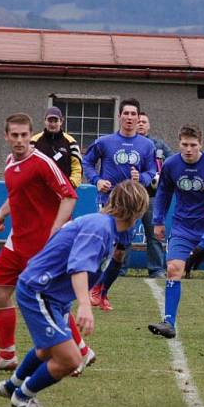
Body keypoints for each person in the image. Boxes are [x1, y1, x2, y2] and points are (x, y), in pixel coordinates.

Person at [0, 180, 149, 407]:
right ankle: (23, 396)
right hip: (40, 291)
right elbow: (78, 267)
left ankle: (12, 385)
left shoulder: (106, 227)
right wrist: (85, 306)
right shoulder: (100, 228)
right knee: (70, 360)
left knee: (47, 349)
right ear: (137, 211)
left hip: (51, 295)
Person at [0, 113, 93, 375]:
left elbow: (69, 196)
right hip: (16, 241)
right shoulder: (9, 162)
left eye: (24, 135)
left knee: (50, 300)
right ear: (6, 136)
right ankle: (7, 355)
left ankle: (81, 352)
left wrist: (54, 230)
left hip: (41, 245)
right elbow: (17, 194)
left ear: (31, 136)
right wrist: (1, 213)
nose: (19, 140)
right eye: (14, 135)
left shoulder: (42, 163)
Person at [147, 124, 204, 339]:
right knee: (174, 269)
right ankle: (169, 323)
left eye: (193, 145)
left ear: (201, 144)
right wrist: (158, 220)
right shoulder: (172, 165)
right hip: (182, 227)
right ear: (179, 143)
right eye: (184, 144)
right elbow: (163, 192)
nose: (189, 149)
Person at [82, 98, 156, 311]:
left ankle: (102, 292)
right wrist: (97, 180)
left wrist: (140, 178)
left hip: (131, 206)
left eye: (134, 114)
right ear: (120, 117)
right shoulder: (104, 142)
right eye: (127, 114)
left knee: (120, 253)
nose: (130, 118)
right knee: (102, 246)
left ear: (138, 117)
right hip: (108, 203)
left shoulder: (147, 145)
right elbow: (87, 162)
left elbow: (152, 171)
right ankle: (87, 289)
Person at [125, 111, 172, 278]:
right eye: (139, 121)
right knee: (125, 233)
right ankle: (121, 268)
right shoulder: (126, 144)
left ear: (149, 125)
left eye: (144, 122)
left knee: (153, 234)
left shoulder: (159, 146)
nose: (141, 124)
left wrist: (161, 175)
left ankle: (157, 269)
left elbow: (172, 162)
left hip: (153, 197)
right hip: (131, 197)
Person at [30, 106, 82, 188]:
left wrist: (71, 184)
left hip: (64, 191)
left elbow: (77, 167)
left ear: (61, 121)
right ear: (45, 121)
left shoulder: (71, 142)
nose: (53, 124)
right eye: (50, 121)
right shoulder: (34, 141)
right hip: (39, 190)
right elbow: (27, 165)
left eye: (56, 121)